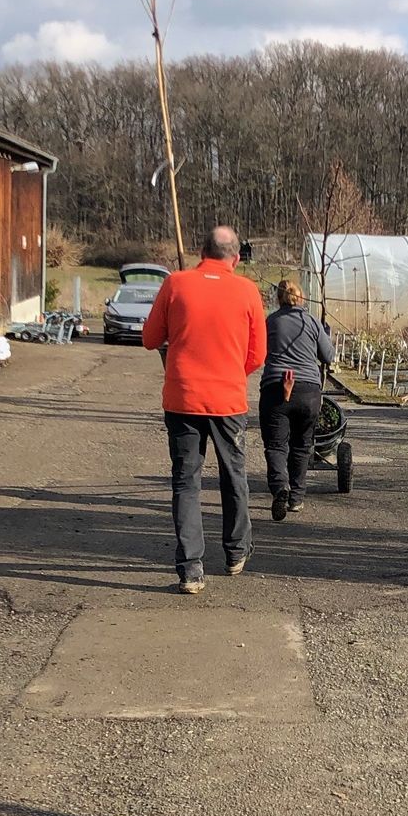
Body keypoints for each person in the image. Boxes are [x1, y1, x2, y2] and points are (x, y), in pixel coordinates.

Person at [142, 226, 267, 595]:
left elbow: (150, 338)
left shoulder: (176, 283)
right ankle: (236, 551)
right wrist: (232, 371)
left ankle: (191, 568)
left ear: (201, 252)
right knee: (234, 475)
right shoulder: (247, 290)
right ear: (237, 258)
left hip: (183, 397)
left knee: (186, 481)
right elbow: (258, 354)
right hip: (228, 399)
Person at [260, 279, 334, 521]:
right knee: (302, 445)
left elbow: (258, 352)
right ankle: (296, 499)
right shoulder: (310, 322)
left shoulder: (270, 321)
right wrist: (326, 334)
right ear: (301, 298)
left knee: (276, 445)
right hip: (307, 390)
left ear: (278, 298)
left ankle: (280, 487)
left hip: (275, 388)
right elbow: (328, 356)